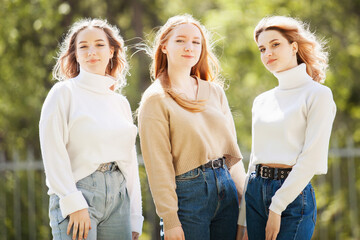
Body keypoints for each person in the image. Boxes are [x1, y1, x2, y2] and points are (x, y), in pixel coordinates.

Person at [138, 14, 246, 240]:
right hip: (188, 194)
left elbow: (232, 154)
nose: (189, 47)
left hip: (226, 190)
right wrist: (170, 220)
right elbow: (158, 166)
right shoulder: (155, 99)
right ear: (164, 46)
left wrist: (245, 206)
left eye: (196, 42)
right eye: (180, 40)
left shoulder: (215, 92)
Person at [39, 18, 143, 240]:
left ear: (112, 51)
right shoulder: (63, 93)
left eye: (99, 44)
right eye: (83, 47)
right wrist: (72, 201)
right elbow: (53, 152)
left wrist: (135, 216)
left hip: (119, 201)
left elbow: (130, 164)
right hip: (78, 193)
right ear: (75, 54)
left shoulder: (120, 103)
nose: (91, 52)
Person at [237, 16, 336, 240]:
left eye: (275, 44)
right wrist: (243, 221)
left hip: (292, 197)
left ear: (294, 47)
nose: (267, 53)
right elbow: (254, 158)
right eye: (262, 48)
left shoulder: (318, 95)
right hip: (255, 191)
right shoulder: (261, 100)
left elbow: (312, 159)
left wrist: (277, 207)